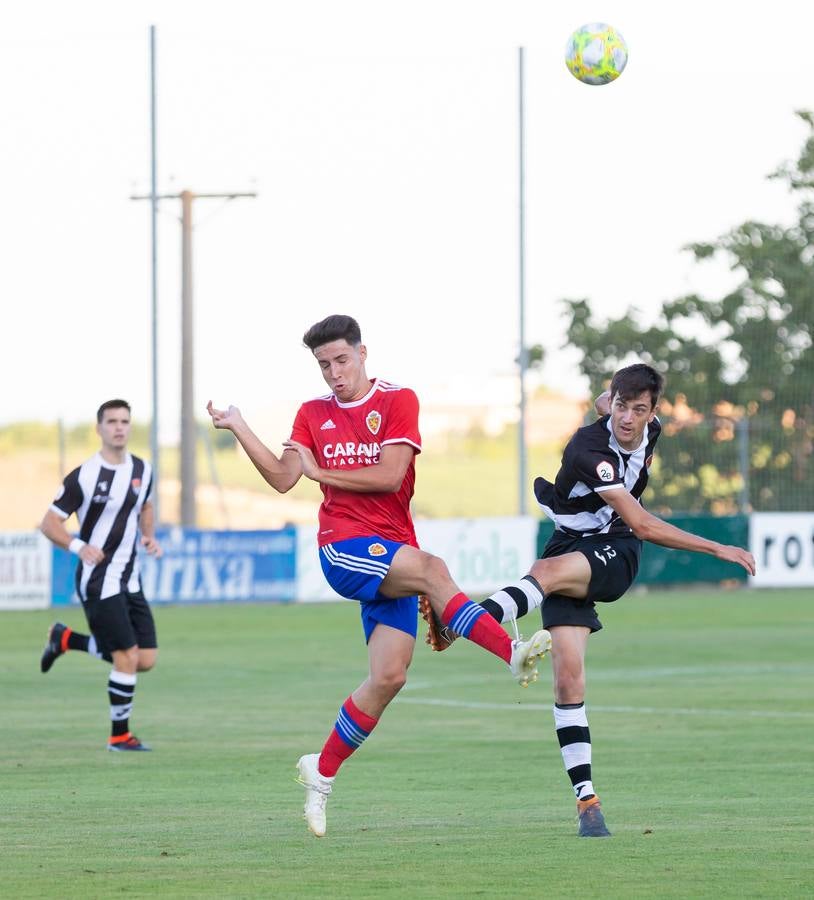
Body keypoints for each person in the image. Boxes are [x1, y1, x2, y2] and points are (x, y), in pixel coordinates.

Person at [206, 314, 550, 838]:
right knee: (433, 569)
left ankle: (319, 772)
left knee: (389, 677)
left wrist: (322, 473)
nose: (334, 374)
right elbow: (282, 478)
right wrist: (238, 424)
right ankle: (511, 653)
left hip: (390, 548)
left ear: (363, 354)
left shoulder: (397, 401)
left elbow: (390, 476)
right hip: (342, 548)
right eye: (324, 365)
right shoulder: (312, 414)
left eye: (341, 360)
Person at [421, 363, 756, 837]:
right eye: (620, 406)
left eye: (638, 410)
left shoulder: (645, 427)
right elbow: (605, 412)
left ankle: (459, 620)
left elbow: (641, 526)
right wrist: (610, 401)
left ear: (652, 411)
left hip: (618, 548)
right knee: (567, 679)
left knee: (545, 573)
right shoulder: (589, 448)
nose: (626, 418)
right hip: (572, 543)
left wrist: (717, 547)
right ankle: (588, 803)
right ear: (612, 402)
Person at [39, 399, 162, 752]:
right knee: (126, 657)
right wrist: (80, 547)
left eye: (124, 421)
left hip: (130, 578)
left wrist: (149, 535)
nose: (119, 427)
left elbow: (147, 505)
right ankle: (120, 735)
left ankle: (66, 640)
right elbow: (49, 523)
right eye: (112, 421)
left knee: (145, 659)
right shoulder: (84, 476)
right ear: (100, 428)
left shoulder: (143, 469)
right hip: (97, 580)